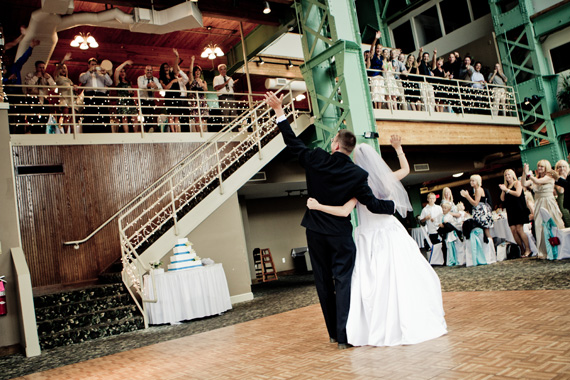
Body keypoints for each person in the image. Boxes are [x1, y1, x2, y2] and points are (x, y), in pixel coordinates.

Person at [264, 91, 395, 350]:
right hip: (340, 235)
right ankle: (344, 335)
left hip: (314, 231)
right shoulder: (358, 174)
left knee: (323, 282)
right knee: (343, 280)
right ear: (349, 149)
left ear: (335, 145)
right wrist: (393, 206)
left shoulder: (316, 158)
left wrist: (280, 112)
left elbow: (292, 143)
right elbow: (372, 203)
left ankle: (333, 335)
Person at [306, 135, 447, 347]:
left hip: (369, 237)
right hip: (391, 231)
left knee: (372, 283)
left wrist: (317, 206)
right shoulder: (383, 179)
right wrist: (398, 149)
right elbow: (406, 170)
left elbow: (345, 211)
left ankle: (374, 324)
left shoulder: (356, 183)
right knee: (402, 276)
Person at [522, 160, 564, 259]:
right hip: (539, 203)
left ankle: (561, 248)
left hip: (548, 202)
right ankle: (545, 251)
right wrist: (524, 172)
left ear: (546, 167)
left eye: (541, 166)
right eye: (538, 166)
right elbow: (524, 183)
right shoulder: (536, 177)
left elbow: (538, 182)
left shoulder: (550, 177)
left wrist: (529, 174)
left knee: (554, 224)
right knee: (540, 226)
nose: (539, 168)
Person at [499, 169, 531, 257]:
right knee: (513, 230)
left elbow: (518, 193)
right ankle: (521, 248)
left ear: (512, 175)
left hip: (519, 208)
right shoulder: (506, 186)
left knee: (519, 229)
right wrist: (503, 190)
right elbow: (502, 199)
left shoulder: (517, 183)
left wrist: (507, 190)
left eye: (509, 174)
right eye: (505, 175)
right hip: (510, 210)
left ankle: (528, 248)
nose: (507, 176)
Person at [79, 57, 112, 133]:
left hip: (100, 96)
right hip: (90, 96)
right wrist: (89, 71)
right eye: (92, 64)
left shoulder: (101, 74)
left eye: (95, 64)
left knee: (103, 114)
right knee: (90, 114)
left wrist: (105, 74)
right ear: (88, 65)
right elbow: (81, 80)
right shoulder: (84, 74)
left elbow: (110, 83)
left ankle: (104, 131)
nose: (94, 66)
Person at [460, 174, 493, 242]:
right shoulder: (476, 190)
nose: (471, 182)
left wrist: (467, 196)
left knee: (486, 233)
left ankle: (491, 249)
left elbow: (475, 203)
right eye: (470, 181)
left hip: (481, 212)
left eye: (473, 181)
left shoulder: (478, 190)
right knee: (484, 233)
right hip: (480, 211)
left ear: (477, 181)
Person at [53, 52, 77, 133]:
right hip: (64, 98)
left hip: (72, 98)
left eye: (64, 68)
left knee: (73, 117)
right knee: (66, 116)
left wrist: (75, 87)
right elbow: (57, 69)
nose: (63, 69)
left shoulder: (69, 79)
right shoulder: (57, 77)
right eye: (62, 68)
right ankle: (66, 134)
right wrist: (63, 61)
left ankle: (73, 133)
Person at [114, 60, 138, 133]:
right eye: (121, 72)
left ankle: (135, 132)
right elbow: (116, 70)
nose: (122, 73)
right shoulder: (118, 82)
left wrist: (131, 91)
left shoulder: (129, 82)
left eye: (123, 71)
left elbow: (133, 93)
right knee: (124, 118)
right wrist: (125, 63)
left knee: (134, 117)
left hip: (130, 100)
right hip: (122, 101)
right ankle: (126, 133)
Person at [137, 65, 162, 132]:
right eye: (148, 70)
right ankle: (149, 129)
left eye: (150, 70)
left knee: (152, 114)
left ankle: (152, 128)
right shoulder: (140, 78)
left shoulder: (155, 79)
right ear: (145, 71)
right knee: (146, 115)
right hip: (143, 99)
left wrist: (156, 86)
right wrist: (148, 85)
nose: (149, 71)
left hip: (151, 100)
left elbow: (160, 87)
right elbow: (140, 86)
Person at [188, 55, 209, 132]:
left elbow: (206, 90)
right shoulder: (192, 80)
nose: (197, 72)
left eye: (199, 71)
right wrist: (192, 61)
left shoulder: (204, 81)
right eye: (196, 70)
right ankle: (198, 133)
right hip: (195, 100)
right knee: (197, 118)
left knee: (202, 118)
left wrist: (203, 85)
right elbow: (190, 71)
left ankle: (202, 132)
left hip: (202, 100)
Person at [551, 157, 570, 228]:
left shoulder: (568, 176)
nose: (562, 168)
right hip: (562, 202)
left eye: (563, 166)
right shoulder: (556, 180)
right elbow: (561, 190)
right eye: (559, 167)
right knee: (567, 220)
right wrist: (560, 178)